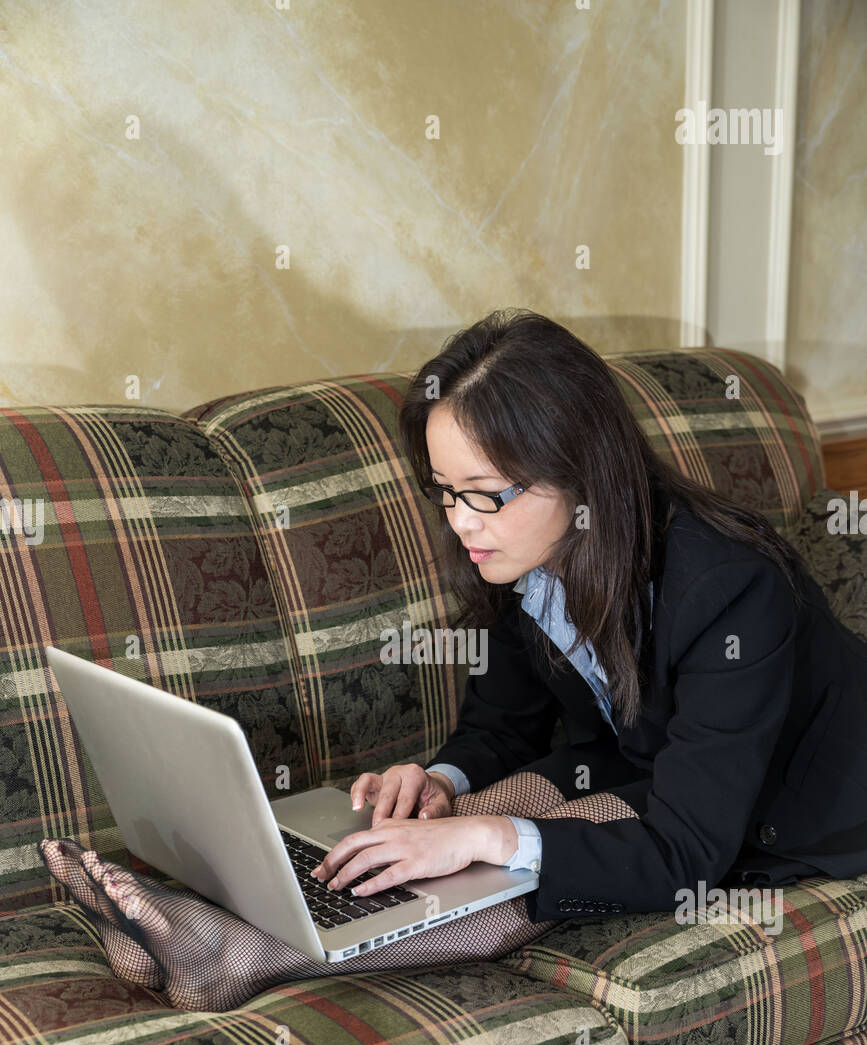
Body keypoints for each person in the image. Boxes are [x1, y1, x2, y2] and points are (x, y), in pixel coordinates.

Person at [310, 307, 867, 950]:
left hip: (781, 806)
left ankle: (232, 955)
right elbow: (500, 729)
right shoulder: (519, 556)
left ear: (582, 474)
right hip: (642, 770)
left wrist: (489, 835)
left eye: (485, 492)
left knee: (490, 863)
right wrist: (440, 782)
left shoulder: (731, 586)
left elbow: (686, 851)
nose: (461, 522)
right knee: (437, 833)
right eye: (445, 490)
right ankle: (229, 926)